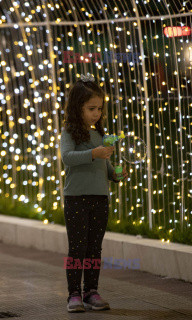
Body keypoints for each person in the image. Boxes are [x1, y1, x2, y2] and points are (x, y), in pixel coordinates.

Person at [59, 73, 129, 313]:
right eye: (91, 108)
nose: (96, 113)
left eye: (99, 108)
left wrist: (115, 174)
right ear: (77, 107)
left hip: (100, 198)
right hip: (77, 198)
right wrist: (94, 154)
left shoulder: (99, 134)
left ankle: (91, 291)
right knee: (77, 247)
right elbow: (67, 158)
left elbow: (104, 166)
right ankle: (74, 294)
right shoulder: (70, 131)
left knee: (94, 247)